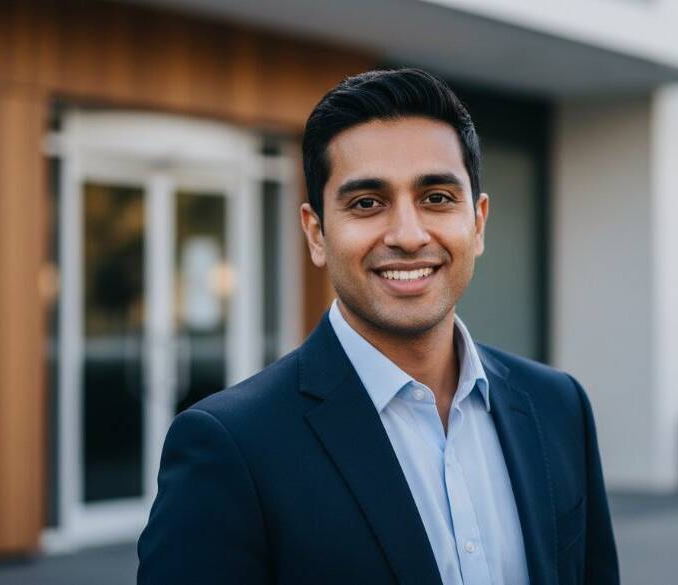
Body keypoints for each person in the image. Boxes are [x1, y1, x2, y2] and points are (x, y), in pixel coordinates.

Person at [137, 68, 619, 585]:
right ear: (317, 233)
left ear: (477, 223)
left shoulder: (558, 405)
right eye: (367, 203)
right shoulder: (231, 448)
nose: (409, 236)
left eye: (436, 197)